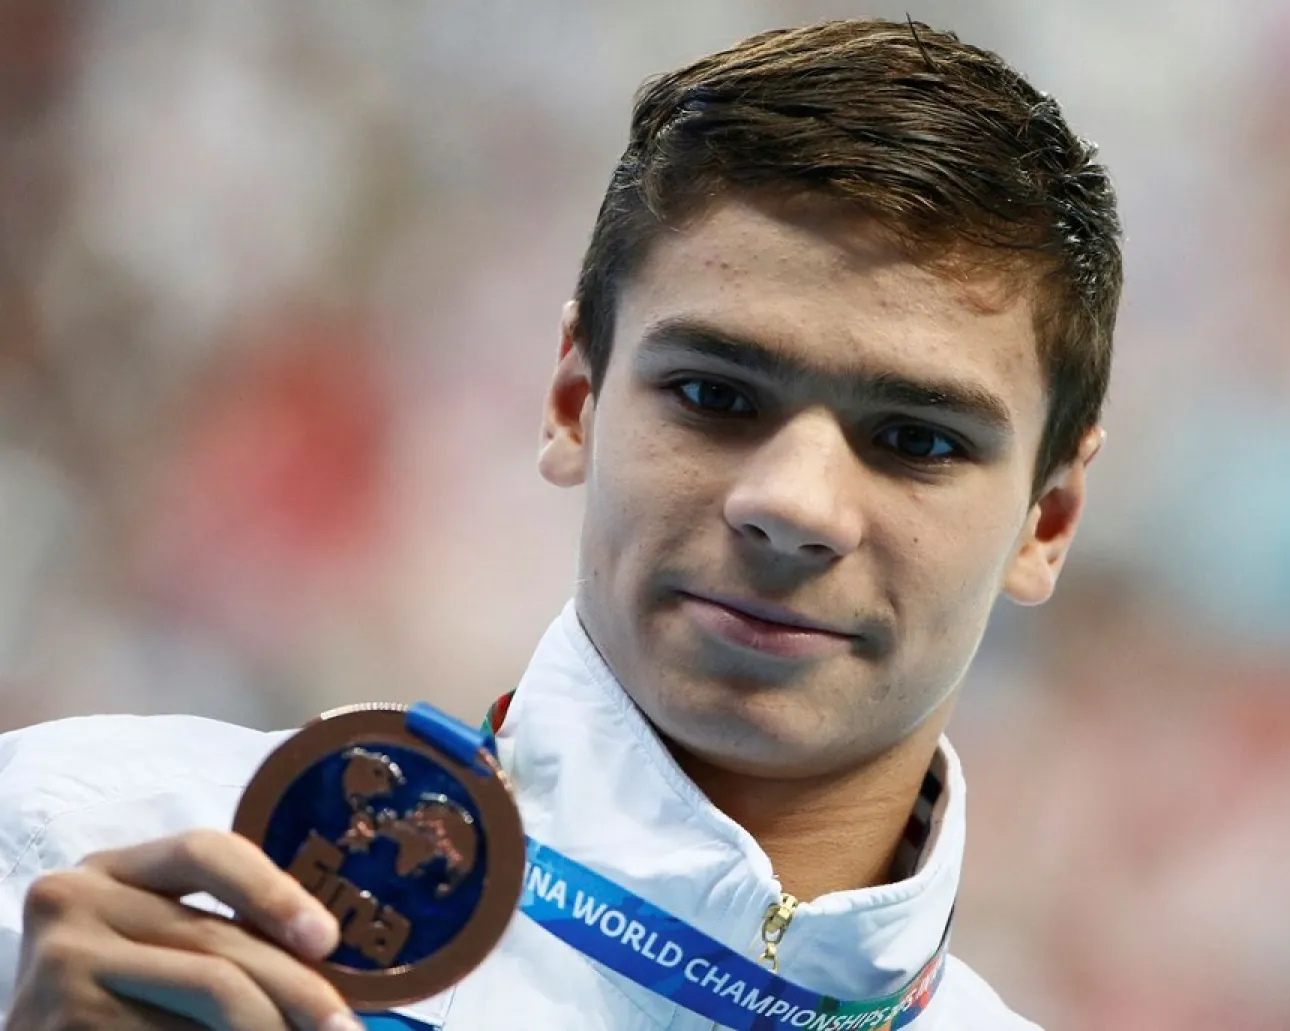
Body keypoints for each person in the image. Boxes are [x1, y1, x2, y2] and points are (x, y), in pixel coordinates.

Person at [0, 17, 1121, 1030]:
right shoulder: (91, 854)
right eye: (716, 395)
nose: (792, 505)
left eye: (917, 439)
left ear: (1049, 519)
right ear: (573, 399)